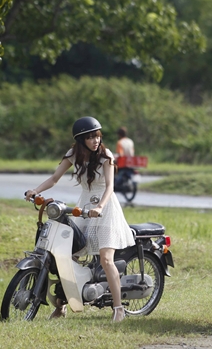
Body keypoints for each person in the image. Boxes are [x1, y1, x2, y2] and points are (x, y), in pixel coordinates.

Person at [24, 117, 135, 322]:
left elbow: (110, 186)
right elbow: (54, 178)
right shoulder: (73, 154)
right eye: (91, 137)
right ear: (81, 140)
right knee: (66, 256)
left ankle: (118, 308)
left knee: (106, 258)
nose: (96, 141)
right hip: (83, 206)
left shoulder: (105, 155)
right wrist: (35, 190)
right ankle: (63, 304)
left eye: (98, 136)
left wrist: (100, 206)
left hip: (106, 208)